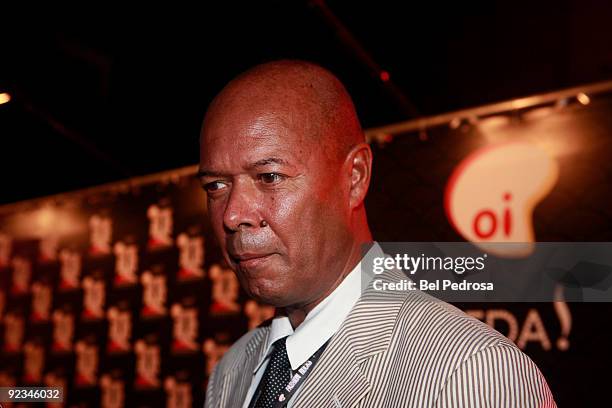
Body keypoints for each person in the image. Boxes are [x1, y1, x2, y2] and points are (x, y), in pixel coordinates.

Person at [199, 60, 556, 407]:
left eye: (270, 177)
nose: (232, 214)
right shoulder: (232, 371)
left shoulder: (470, 372)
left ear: (354, 177)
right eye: (216, 185)